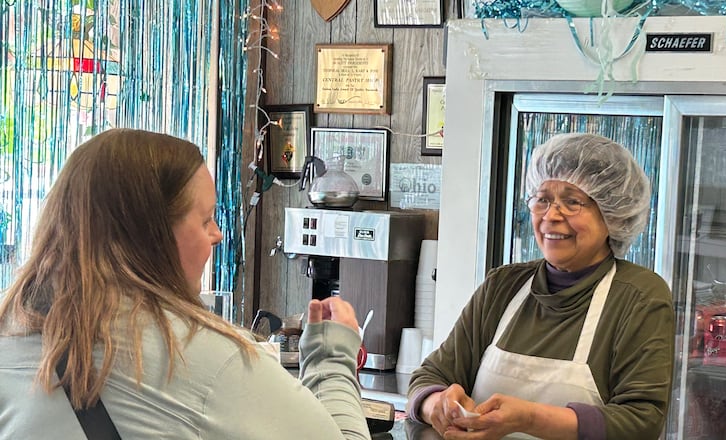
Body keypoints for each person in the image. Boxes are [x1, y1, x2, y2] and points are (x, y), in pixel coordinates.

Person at [0, 128, 371, 439]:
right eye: (206, 219)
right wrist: (332, 356)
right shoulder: (206, 360)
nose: (219, 234)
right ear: (152, 236)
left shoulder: (11, 331)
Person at [407, 133, 675, 440]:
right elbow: (431, 375)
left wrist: (527, 419)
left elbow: (641, 421)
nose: (551, 216)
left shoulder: (638, 297)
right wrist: (437, 404)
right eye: (543, 199)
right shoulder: (503, 287)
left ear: (611, 213)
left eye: (572, 202)